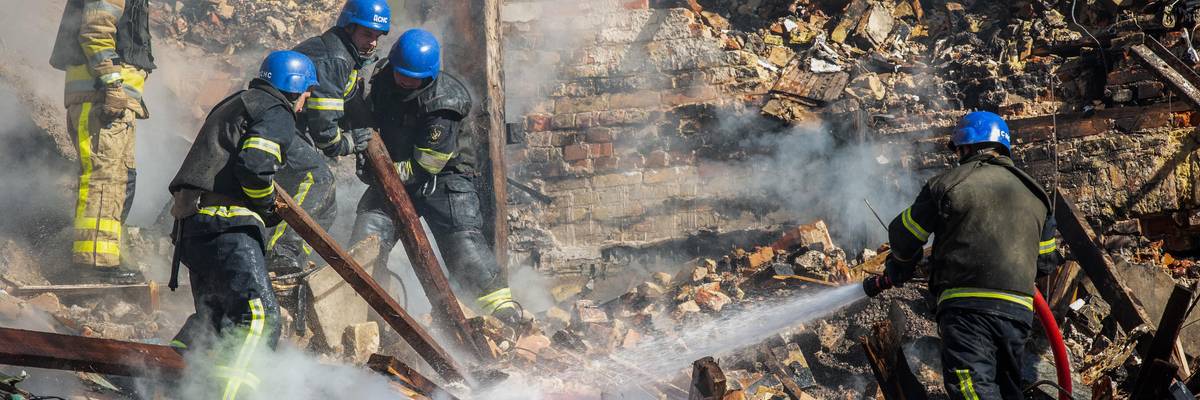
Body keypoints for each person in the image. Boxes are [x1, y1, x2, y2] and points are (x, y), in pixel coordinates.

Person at [862, 111, 1061, 399]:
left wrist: (901, 265)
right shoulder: (1036, 194)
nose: (957, 156)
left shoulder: (949, 183)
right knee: (1008, 390)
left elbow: (904, 234)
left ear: (967, 147)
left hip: (968, 310)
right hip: (1017, 313)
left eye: (958, 150)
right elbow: (1045, 263)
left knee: (972, 390)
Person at [166, 51, 317, 399]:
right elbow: (255, 164)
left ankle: (166, 386)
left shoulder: (236, 103)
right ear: (294, 88)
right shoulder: (276, 111)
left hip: (193, 227)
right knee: (259, 318)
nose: (307, 99)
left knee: (213, 321)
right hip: (227, 225)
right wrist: (266, 206)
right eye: (306, 92)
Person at [352, 29, 523, 325]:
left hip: (442, 178)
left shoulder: (445, 102)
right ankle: (358, 310)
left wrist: (382, 173)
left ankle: (502, 311)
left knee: (462, 241)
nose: (404, 81)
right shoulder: (383, 78)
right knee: (367, 236)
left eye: (412, 77)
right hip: (392, 170)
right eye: (400, 73)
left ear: (429, 76)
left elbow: (426, 165)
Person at [265, 0, 390, 274]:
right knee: (319, 179)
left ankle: (291, 258)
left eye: (377, 37)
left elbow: (348, 103)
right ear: (349, 26)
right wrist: (346, 143)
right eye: (367, 34)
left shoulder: (343, 54)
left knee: (327, 205)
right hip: (279, 124)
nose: (372, 43)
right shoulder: (336, 58)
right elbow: (324, 131)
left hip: (286, 126)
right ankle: (281, 256)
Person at [50, 0, 155, 284]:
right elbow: (95, 31)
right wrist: (113, 85)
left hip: (114, 102)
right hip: (102, 99)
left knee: (120, 181)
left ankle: (105, 258)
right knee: (104, 179)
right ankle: (95, 266)